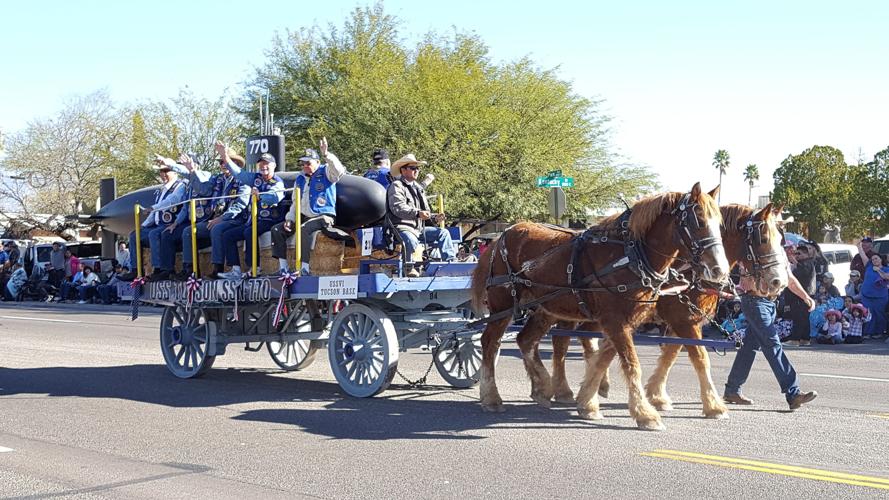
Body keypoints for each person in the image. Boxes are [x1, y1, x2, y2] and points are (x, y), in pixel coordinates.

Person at [723, 257, 819, 411]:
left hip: (770, 303)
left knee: (749, 347)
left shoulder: (778, 252)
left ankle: (732, 390)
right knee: (772, 344)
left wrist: (805, 297)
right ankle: (793, 393)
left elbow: (789, 279)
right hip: (754, 301)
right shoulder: (752, 249)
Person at [269, 138, 346, 275]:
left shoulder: (327, 173)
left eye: (308, 163)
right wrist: (290, 219)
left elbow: (339, 171)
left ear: (317, 162)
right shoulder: (299, 179)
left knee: (304, 229)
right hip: (303, 216)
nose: (305, 166)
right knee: (276, 229)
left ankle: (304, 268)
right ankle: (283, 268)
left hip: (323, 216)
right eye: (302, 163)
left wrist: (327, 155)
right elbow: (295, 202)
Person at [219, 146, 286, 279]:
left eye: (266, 164)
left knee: (249, 231)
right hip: (254, 219)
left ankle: (255, 267)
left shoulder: (277, 182)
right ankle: (236, 270)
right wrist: (225, 158)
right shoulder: (255, 178)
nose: (263, 167)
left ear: (274, 166)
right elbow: (239, 173)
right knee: (227, 235)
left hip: (270, 220)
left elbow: (275, 197)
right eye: (261, 164)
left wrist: (260, 195)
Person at [386, 153, 456, 277]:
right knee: (410, 239)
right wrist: (418, 214)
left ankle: (450, 264)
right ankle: (409, 267)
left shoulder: (418, 188)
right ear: (403, 170)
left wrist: (434, 217)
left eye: (417, 168)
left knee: (443, 233)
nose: (416, 170)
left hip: (418, 229)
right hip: (401, 228)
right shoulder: (396, 186)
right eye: (413, 168)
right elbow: (398, 208)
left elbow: (423, 212)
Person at [120, 162, 187, 281]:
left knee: (154, 234)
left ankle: (159, 269)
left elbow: (172, 201)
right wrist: (143, 226)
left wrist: (153, 207)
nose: (163, 174)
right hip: (158, 224)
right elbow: (154, 215)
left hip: (172, 224)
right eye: (161, 172)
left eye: (166, 171)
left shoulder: (180, 186)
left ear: (176, 172)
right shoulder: (161, 190)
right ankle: (136, 269)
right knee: (135, 235)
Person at [784, 241, 817, 346]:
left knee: (799, 318)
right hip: (803, 295)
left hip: (802, 295)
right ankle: (805, 339)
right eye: (796, 254)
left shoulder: (806, 263)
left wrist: (794, 262)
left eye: (799, 254)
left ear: (806, 254)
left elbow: (798, 276)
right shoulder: (804, 264)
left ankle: (795, 339)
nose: (797, 256)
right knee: (803, 318)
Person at [856, 241, 889, 340]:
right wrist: (859, 247)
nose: (874, 260)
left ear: (880, 259)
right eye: (873, 259)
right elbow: (863, 256)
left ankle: (879, 332)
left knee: (879, 314)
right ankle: (867, 332)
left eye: (876, 258)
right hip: (866, 296)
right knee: (867, 314)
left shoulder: (886, 269)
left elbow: (886, 277)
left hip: (880, 297)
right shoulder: (869, 266)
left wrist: (878, 269)